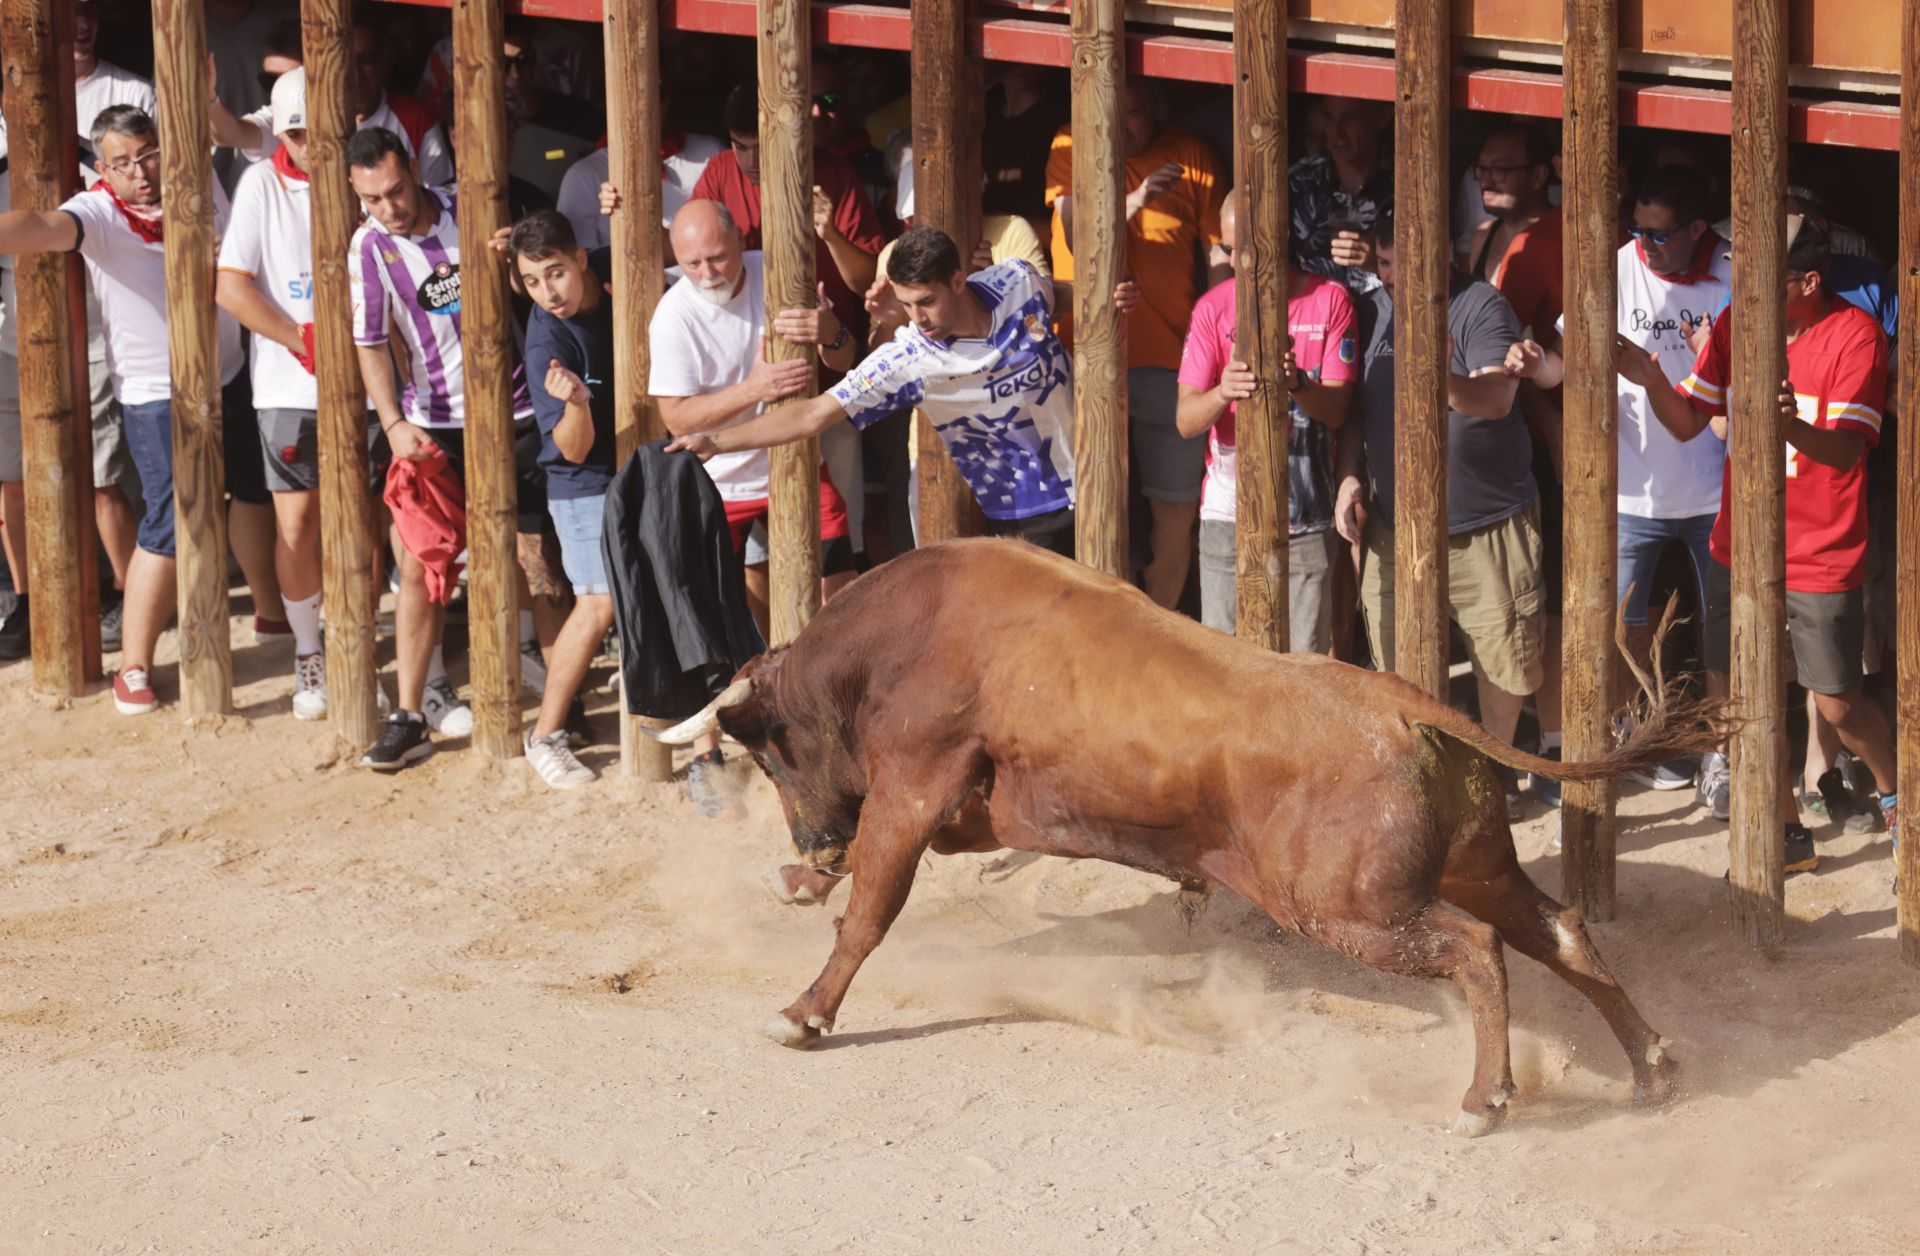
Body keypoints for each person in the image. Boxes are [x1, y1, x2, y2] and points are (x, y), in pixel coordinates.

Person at [1630, 213, 1899, 869]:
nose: (1746, 291)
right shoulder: (1733, 324)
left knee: (1837, 704)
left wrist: (1790, 426)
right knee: (1743, 704)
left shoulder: (1856, 335)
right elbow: (1692, 421)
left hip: (1822, 550)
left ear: (1809, 281)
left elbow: (1845, 452)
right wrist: (1649, 378)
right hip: (1738, 545)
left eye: (1765, 281)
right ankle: (1786, 835)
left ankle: (1900, 803)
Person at [0, 106, 278, 715]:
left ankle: (271, 613)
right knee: (168, 522)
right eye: (123, 163)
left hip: (230, 371)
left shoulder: (196, 176)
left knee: (254, 493)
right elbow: (41, 225)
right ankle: (133, 666)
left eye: (147, 154)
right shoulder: (97, 211)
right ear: (102, 169)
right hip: (158, 393)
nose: (141, 173)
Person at [666, 226, 1144, 556]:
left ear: (960, 281)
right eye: (906, 304)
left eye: (927, 302)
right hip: (1029, 510)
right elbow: (814, 414)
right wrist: (718, 441)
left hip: (1102, 470)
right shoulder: (908, 358)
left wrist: (1104, 295)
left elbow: (1055, 295)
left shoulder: (1015, 279)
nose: (917, 318)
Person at [1512, 164, 1732, 805]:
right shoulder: (1614, 266)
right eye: (1638, 229)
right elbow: (1564, 360)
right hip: (1631, 492)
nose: (1645, 244)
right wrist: (1537, 366)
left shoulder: (1733, 273)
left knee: (1719, 635)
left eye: (1660, 235)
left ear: (1697, 228)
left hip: (1716, 490)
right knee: (1620, 629)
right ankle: (1632, 737)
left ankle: (1719, 757)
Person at [646, 199, 860, 816]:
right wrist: (756, 389)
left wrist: (832, 333)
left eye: (717, 254)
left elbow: (844, 362)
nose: (708, 271)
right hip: (717, 479)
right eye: (691, 262)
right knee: (702, 618)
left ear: (740, 239)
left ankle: (842, 727)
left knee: (840, 592)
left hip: (793, 461)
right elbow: (677, 416)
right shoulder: (673, 314)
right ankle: (707, 757)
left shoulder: (782, 271)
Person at [1334, 214, 1543, 812]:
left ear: (1445, 255)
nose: (1396, 276)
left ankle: (1492, 783)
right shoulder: (1371, 312)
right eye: (1387, 263)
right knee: (1396, 663)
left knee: (1502, 663)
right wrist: (1349, 477)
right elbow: (1353, 410)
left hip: (1487, 523)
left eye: (1407, 261)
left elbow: (1498, 397)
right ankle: (1421, 785)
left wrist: (1439, 377)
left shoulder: (1481, 307)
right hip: (1395, 524)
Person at [349, 126, 528, 768]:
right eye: (373, 199)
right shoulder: (368, 248)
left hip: (519, 409)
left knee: (538, 555)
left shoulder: (470, 207)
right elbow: (369, 341)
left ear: (414, 174)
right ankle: (409, 712)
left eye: (396, 190)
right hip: (433, 424)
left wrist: (507, 261)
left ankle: (542, 693)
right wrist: (393, 423)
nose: (389, 208)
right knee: (422, 568)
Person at [1046, 79, 1227, 610]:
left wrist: (1217, 335)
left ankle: (1162, 622)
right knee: (1092, 502)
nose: (1122, 128)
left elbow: (1219, 253)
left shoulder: (1192, 155)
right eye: (1113, 115)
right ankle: (1098, 624)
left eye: (1134, 115)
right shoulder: (1069, 144)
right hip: (1086, 359)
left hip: (1172, 362)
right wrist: (1136, 199)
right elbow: (1078, 233)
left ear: (1159, 110)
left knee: (1173, 508)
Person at [214, 67, 347, 719]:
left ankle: (355, 644)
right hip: (288, 385)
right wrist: (303, 337)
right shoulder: (261, 184)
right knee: (296, 524)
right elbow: (230, 286)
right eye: (294, 132)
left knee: (370, 519)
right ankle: (307, 651)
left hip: (369, 381)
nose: (306, 143)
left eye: (316, 130)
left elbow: (432, 273)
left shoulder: (366, 173)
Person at [1176, 188, 1356, 645]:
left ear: (1277, 241)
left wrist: (1298, 384)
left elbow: (1338, 412)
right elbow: (1185, 420)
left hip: (1307, 513)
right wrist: (1223, 392)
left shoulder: (1330, 300)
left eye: (1244, 250)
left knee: (1304, 664)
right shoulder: (1212, 308)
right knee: (1224, 662)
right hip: (1226, 514)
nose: (1233, 261)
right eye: (1226, 248)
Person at [1471, 121, 1568, 806]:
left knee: (1554, 600)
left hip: (1549, 441)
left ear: (1541, 172)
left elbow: (1557, 355)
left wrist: (1560, 438)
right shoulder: (1482, 239)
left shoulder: (1563, 236)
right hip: (1500, 447)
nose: (1490, 179)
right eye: (1483, 168)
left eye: (1505, 168)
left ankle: (1560, 743)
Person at [510, 211, 616, 790]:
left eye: (554, 273)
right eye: (531, 281)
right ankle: (544, 735)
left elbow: (665, 246)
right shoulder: (547, 339)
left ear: (581, 258)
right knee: (596, 603)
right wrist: (577, 403)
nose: (548, 292)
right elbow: (573, 453)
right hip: (581, 485)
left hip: (631, 468)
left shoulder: (610, 262)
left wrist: (616, 202)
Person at [209, 15, 455, 190]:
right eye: (346, 61)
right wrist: (208, 96)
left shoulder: (414, 118)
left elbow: (438, 198)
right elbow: (230, 134)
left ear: (384, 58)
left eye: (365, 59)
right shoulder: (292, 118)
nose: (355, 72)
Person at [1289, 96, 1393, 295]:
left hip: (1389, 324)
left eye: (1349, 118)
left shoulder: (1407, 185)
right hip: (1312, 324)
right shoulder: (1299, 182)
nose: (1335, 132)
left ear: (1382, 118)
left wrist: (1378, 263)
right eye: (1329, 117)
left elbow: (1438, 278)